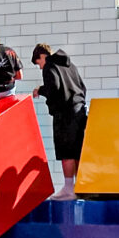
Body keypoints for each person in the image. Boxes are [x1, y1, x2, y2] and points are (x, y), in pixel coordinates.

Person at [31, 44, 88, 201]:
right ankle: (80, 186)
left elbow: (54, 88)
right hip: (80, 110)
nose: (40, 67)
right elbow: (82, 87)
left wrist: (41, 90)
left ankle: (69, 189)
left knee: (66, 151)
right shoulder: (71, 66)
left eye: (38, 63)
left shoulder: (49, 66)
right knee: (77, 151)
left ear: (42, 57)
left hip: (65, 113)